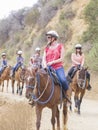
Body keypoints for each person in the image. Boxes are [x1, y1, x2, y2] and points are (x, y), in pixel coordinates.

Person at [42, 30, 71, 101]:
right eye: (47, 37)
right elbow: (43, 58)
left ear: (54, 38)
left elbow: (61, 58)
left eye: (49, 37)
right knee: (37, 77)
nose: (48, 39)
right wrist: (45, 65)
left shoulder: (60, 46)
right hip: (47, 67)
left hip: (58, 67)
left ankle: (67, 96)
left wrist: (52, 62)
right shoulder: (46, 48)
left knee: (63, 80)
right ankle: (35, 97)